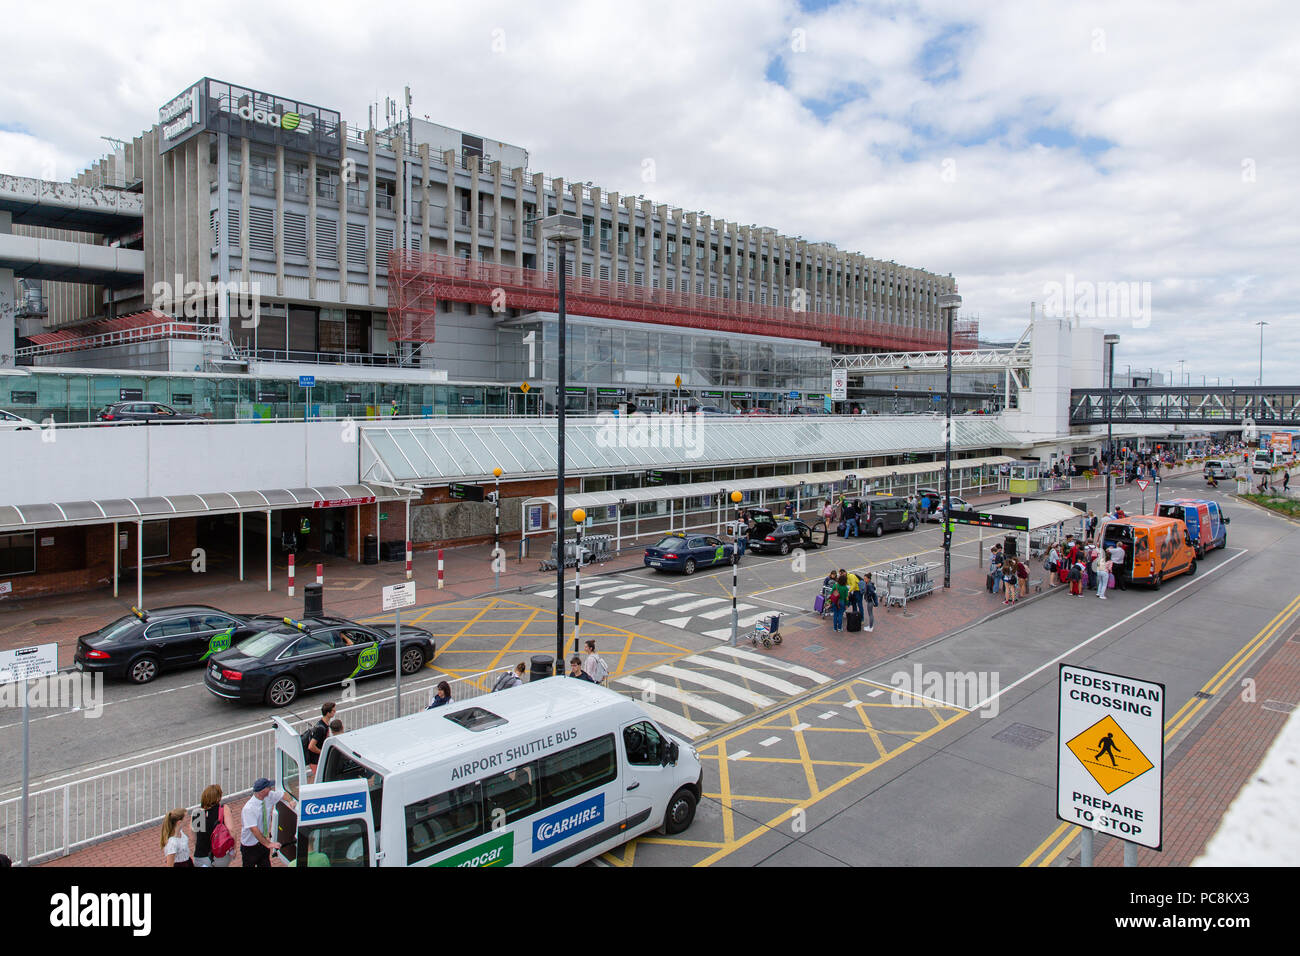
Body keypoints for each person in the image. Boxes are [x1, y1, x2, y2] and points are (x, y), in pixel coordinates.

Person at [240, 778, 284, 868]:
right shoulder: (249, 809)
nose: (271, 788)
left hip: (263, 842)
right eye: (269, 787)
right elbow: (254, 830)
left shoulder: (269, 796)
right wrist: (268, 844)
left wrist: (291, 800)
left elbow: (283, 794)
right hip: (250, 846)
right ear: (263, 791)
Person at [192, 784, 238, 867]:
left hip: (201, 856)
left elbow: (195, 837)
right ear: (218, 797)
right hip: (218, 854)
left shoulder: (197, 813)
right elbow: (231, 831)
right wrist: (234, 848)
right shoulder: (223, 809)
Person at [305, 701, 336, 780]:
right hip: (315, 760)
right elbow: (311, 746)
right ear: (328, 713)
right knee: (320, 779)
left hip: (317, 759)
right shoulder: (321, 728)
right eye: (333, 711)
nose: (335, 712)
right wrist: (322, 752)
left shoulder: (323, 724)